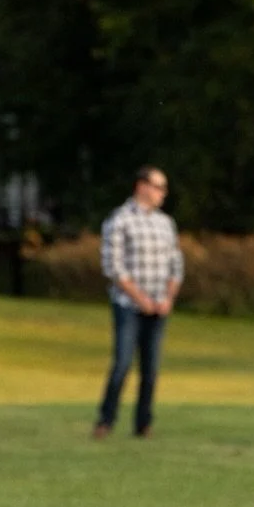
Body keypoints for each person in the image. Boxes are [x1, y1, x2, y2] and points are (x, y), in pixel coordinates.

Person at [93, 166, 183, 440]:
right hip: (128, 305)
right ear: (141, 186)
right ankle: (106, 419)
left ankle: (143, 423)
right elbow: (113, 267)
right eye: (158, 186)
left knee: (151, 368)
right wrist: (140, 298)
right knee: (122, 363)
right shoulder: (120, 220)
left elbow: (176, 264)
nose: (162, 193)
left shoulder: (165, 224)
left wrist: (167, 297)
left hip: (159, 306)